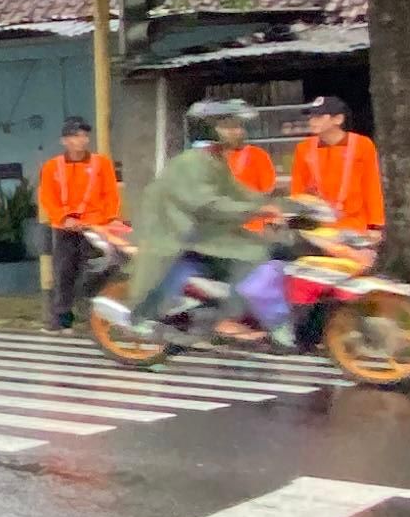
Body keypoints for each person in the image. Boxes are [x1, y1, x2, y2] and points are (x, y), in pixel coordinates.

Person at [104, 102, 290, 339]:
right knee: (253, 253)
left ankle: (229, 315)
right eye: (230, 127)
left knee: (259, 250)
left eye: (238, 127)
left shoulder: (215, 161)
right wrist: (258, 211)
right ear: (210, 130)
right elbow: (208, 204)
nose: (239, 132)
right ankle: (221, 320)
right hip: (176, 234)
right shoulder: (193, 162)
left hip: (197, 229)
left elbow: (237, 191)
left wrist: (281, 205)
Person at [33, 118, 121, 332]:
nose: (81, 140)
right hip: (65, 228)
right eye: (75, 136)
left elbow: (111, 196)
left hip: (94, 227)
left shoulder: (101, 164)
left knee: (96, 271)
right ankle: (62, 319)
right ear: (64, 140)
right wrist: (65, 218)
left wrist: (101, 220)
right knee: (64, 272)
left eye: (83, 135)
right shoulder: (53, 166)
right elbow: (47, 197)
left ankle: (95, 317)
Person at [286, 93, 385, 233]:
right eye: (311, 117)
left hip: (354, 225)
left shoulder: (362, 145)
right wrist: (296, 219)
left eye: (319, 117)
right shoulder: (303, 148)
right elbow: (298, 188)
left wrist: (375, 225)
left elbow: (371, 185)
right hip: (317, 227)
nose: (312, 121)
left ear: (338, 119)